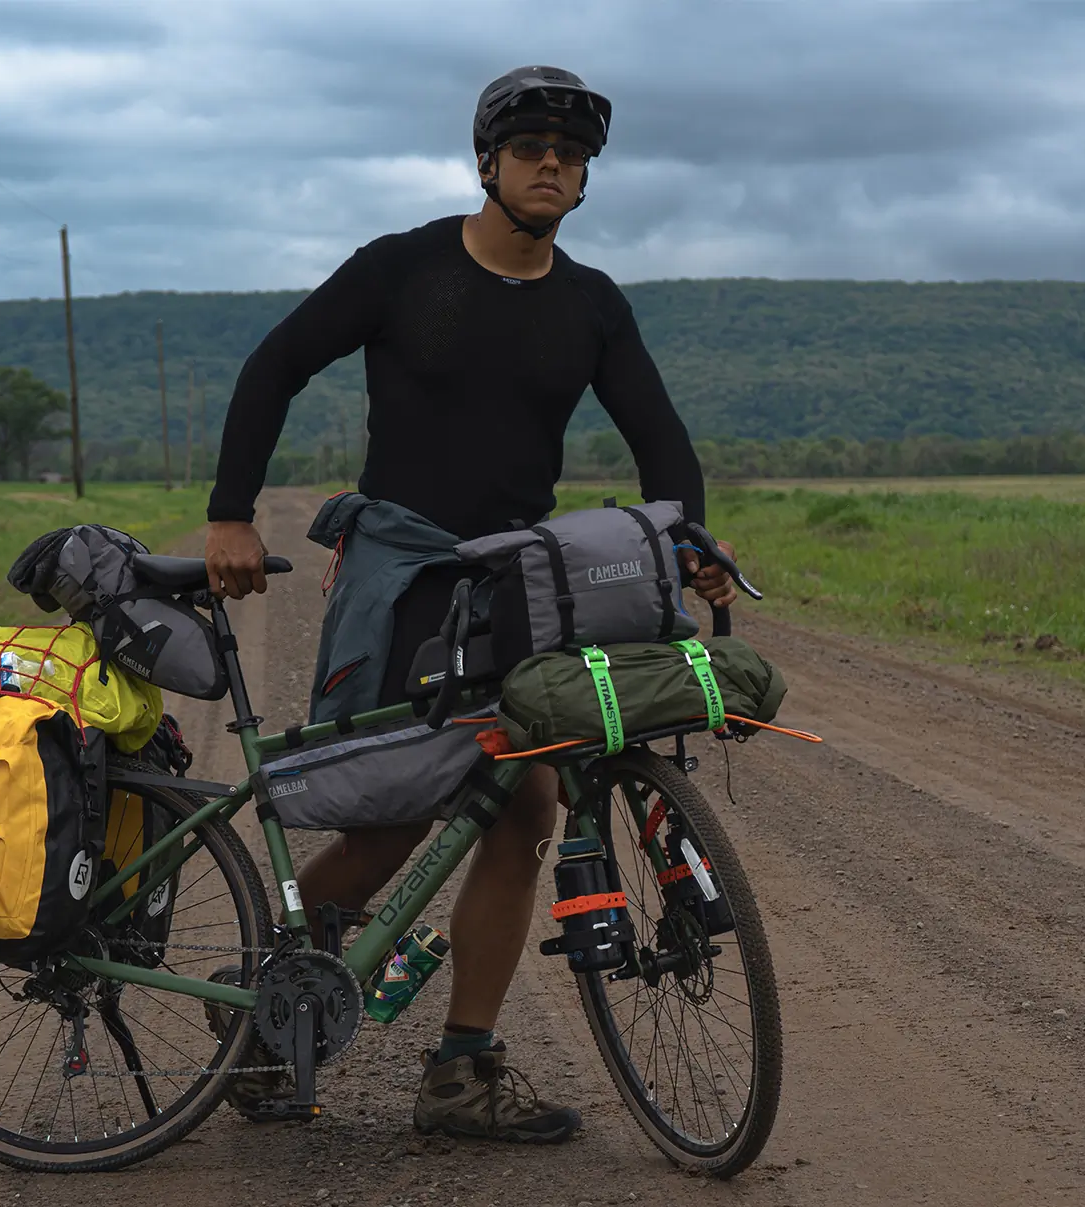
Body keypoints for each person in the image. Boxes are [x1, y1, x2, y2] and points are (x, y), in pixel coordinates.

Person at [202, 65, 735, 1144]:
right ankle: (265, 1002)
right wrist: (229, 516)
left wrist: (684, 538)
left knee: (525, 805)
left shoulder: (591, 303)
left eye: (570, 154)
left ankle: (460, 1067)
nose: (551, 165)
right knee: (395, 813)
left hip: (513, 578)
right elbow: (274, 365)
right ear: (487, 162)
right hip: (404, 570)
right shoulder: (402, 268)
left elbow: (658, 435)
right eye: (531, 147)